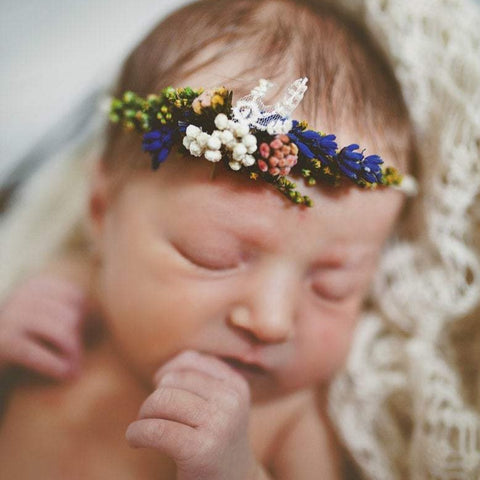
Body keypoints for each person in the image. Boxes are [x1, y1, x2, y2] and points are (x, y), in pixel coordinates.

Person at [0, 0, 478, 478]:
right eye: (212, 258)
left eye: (333, 285)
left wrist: (236, 468)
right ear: (101, 213)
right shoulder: (72, 302)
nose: (271, 322)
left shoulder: (287, 419)